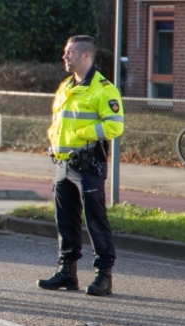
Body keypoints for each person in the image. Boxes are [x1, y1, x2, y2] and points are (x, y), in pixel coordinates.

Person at [38, 35, 124, 297]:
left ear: (86, 56)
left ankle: (103, 275)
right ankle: (67, 271)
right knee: (65, 219)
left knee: (95, 219)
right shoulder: (65, 86)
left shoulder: (103, 89)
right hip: (63, 163)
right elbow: (59, 122)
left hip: (88, 163)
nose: (65, 56)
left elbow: (115, 126)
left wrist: (81, 133)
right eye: (66, 52)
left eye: (71, 52)